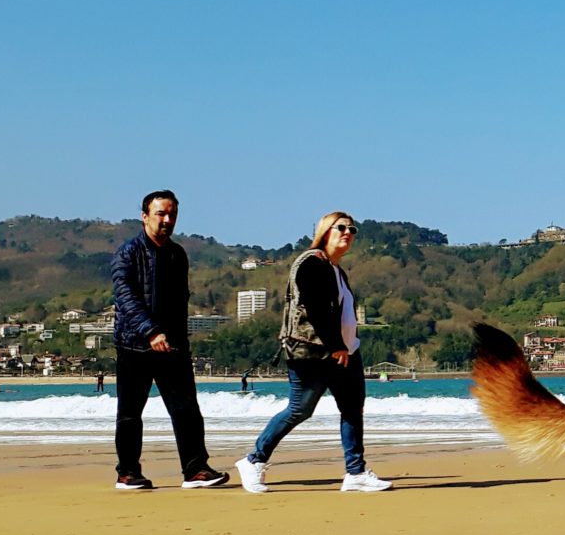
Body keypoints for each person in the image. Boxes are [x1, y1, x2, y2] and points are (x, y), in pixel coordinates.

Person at [236, 211, 390, 493]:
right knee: (299, 410)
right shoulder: (310, 263)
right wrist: (336, 346)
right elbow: (315, 309)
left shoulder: (336, 270)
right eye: (340, 227)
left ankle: (355, 472)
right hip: (314, 353)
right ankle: (253, 460)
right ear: (324, 231)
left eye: (352, 229)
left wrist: (347, 346)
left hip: (345, 352)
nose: (348, 232)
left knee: (352, 410)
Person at [110, 190, 228, 491]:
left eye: (172, 214)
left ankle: (195, 469)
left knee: (187, 410)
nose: (167, 220)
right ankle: (127, 473)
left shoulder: (177, 254)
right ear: (144, 216)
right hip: (134, 345)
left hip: (172, 346)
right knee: (130, 414)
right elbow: (125, 297)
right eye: (161, 213)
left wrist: (179, 340)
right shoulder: (128, 253)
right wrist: (150, 332)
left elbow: (179, 303)